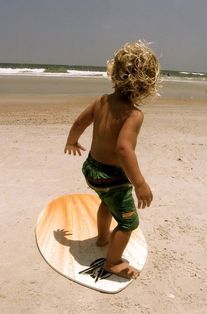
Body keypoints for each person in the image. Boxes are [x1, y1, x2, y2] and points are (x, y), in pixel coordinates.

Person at [64, 40, 160, 279]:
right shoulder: (134, 114)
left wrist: (72, 141)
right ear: (146, 83)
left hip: (91, 170)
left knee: (106, 203)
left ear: (115, 73)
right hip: (112, 179)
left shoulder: (100, 101)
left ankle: (103, 237)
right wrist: (140, 184)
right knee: (128, 224)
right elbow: (124, 149)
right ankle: (113, 262)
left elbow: (79, 123)